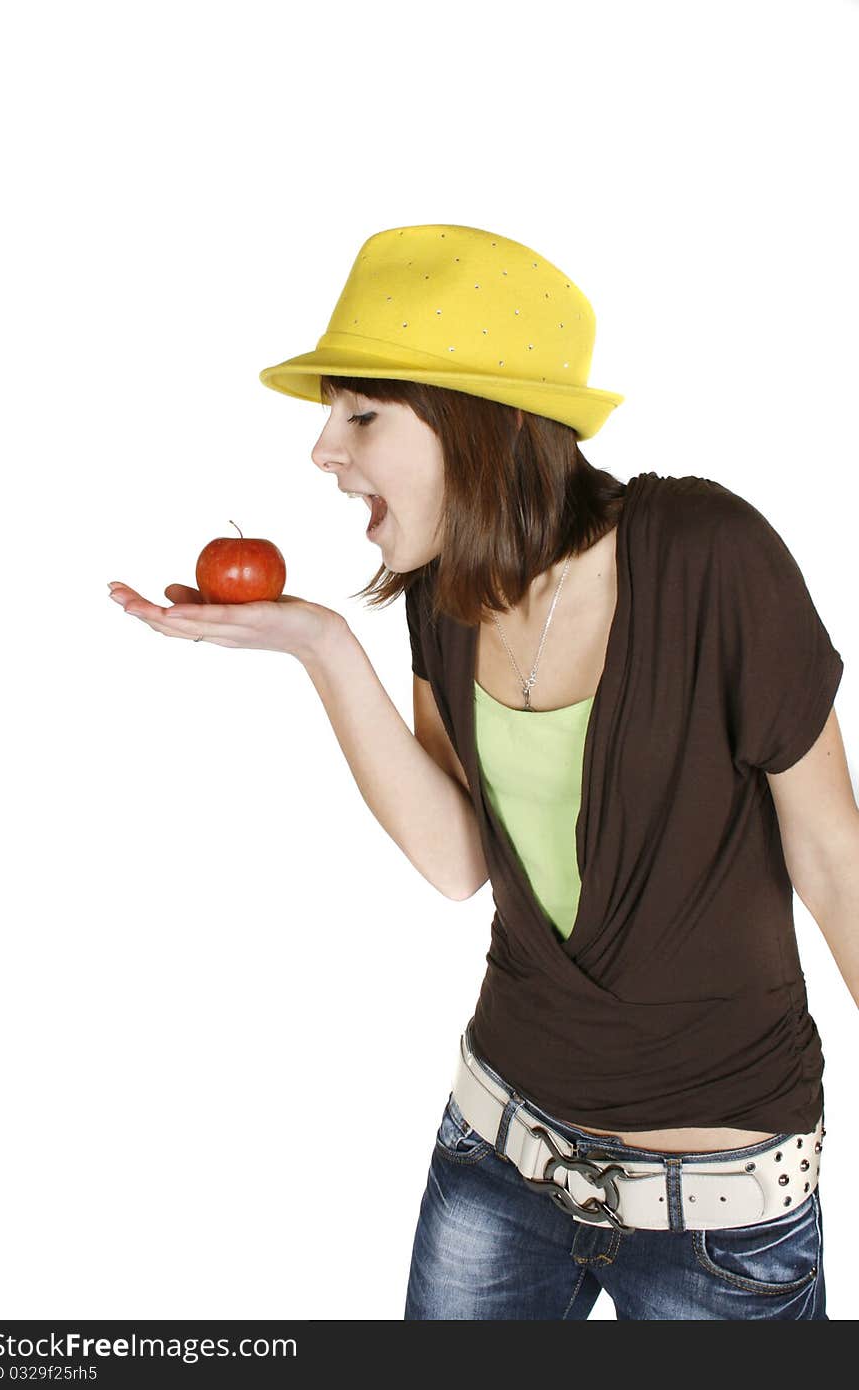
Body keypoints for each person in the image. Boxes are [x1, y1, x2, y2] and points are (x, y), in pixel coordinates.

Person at [108, 223, 856, 1320]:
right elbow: (460, 860)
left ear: (486, 424)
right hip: (495, 1163)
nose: (324, 449)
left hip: (720, 1213)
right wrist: (322, 647)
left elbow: (833, 857)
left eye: (362, 412)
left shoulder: (708, 553)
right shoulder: (440, 595)